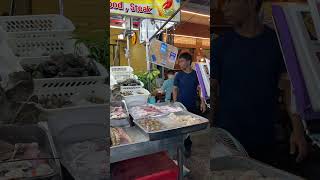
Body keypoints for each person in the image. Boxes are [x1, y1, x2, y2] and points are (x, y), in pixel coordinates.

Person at [211, 0, 308, 168]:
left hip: (265, 139)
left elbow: (288, 88)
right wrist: (208, 131)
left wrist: (298, 130)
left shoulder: (277, 43)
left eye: (229, 2)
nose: (223, 8)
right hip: (227, 140)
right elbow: (212, 91)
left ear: (250, 3)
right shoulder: (220, 45)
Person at [173, 52, 207, 157]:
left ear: (188, 62)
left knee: (188, 127)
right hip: (180, 105)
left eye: (181, 61)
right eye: (179, 61)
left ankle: (187, 147)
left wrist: (202, 102)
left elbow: (201, 88)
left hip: (192, 105)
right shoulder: (178, 75)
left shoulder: (196, 74)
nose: (180, 63)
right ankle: (179, 146)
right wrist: (175, 103)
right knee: (180, 126)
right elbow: (175, 89)